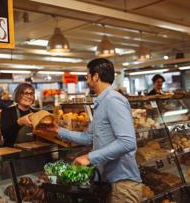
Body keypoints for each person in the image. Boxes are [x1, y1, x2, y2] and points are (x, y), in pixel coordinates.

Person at [46, 58, 142, 203]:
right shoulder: (100, 102)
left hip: (122, 185)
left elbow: (128, 142)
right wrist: (58, 130)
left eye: (87, 75)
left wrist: (89, 157)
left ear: (95, 76)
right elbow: (89, 138)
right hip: (106, 182)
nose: (87, 79)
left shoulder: (113, 100)